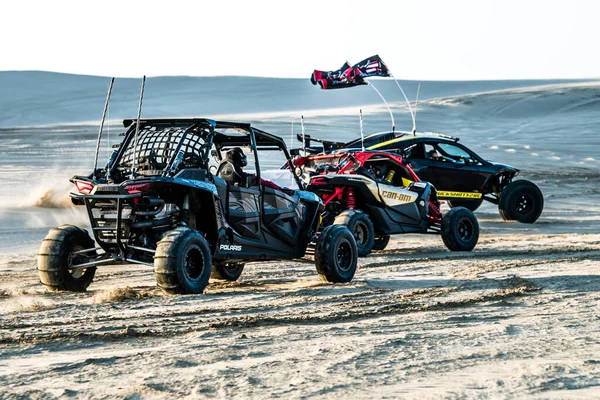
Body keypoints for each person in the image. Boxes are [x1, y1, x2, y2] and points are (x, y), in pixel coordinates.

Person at [217, 147, 281, 190]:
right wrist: (281, 190)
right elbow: (269, 185)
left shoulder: (219, 177)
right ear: (242, 161)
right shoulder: (247, 178)